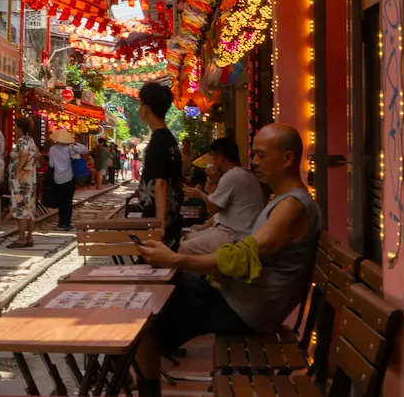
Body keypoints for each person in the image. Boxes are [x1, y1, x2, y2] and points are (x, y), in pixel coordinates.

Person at [138, 123, 323, 356]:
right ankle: (152, 356)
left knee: (150, 310)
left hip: (248, 311)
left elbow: (246, 254)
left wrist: (177, 259)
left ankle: (143, 375)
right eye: (254, 153)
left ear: (287, 159)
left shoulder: (293, 206)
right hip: (240, 299)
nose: (254, 161)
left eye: (262, 155)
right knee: (163, 292)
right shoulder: (284, 199)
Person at [179, 137, 267, 255]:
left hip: (237, 237)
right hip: (234, 231)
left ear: (220, 158)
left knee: (185, 247)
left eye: (213, 157)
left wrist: (204, 191)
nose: (211, 161)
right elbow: (220, 210)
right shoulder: (243, 173)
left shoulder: (232, 176)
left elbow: (212, 209)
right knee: (187, 237)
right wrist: (204, 226)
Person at [134, 82, 184, 246]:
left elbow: (160, 183)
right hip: (171, 214)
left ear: (146, 109)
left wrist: (159, 224)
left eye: (140, 104)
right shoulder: (168, 138)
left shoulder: (158, 141)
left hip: (158, 218)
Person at [6, 116, 39, 247]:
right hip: (30, 178)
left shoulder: (21, 141)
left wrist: (18, 169)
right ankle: (29, 237)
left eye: (15, 126)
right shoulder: (31, 140)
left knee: (20, 207)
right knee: (29, 207)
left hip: (21, 180)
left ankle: (21, 238)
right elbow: (37, 155)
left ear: (19, 127)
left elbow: (24, 153)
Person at [48, 127, 87, 231]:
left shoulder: (52, 149)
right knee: (68, 202)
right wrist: (75, 143)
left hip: (57, 178)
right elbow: (85, 150)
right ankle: (67, 224)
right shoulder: (70, 148)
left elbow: (51, 164)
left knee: (61, 201)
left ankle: (61, 223)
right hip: (69, 178)